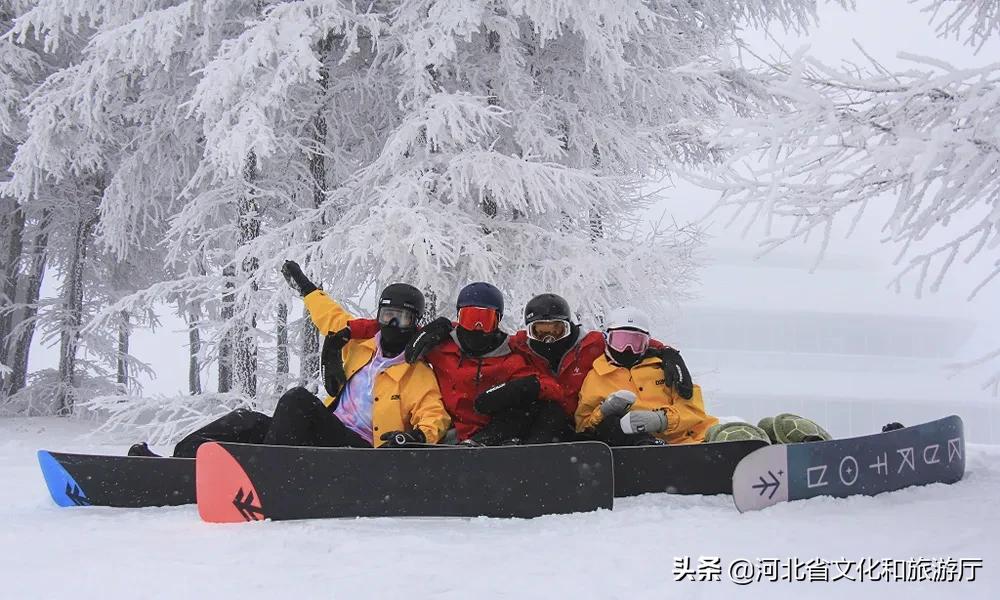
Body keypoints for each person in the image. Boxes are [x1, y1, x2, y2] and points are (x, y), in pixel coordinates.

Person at [128, 261, 450, 457]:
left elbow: (434, 416)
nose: (391, 324)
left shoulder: (417, 373)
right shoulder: (362, 346)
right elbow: (331, 317)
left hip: (362, 453)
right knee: (247, 420)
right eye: (387, 315)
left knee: (298, 399)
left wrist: (415, 437)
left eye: (402, 319)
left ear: (415, 324)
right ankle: (179, 463)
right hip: (327, 432)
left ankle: (267, 469)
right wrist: (308, 289)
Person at [360, 282, 569, 445]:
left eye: (485, 320)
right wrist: (346, 333)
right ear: (459, 317)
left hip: (494, 434)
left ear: (497, 322)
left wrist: (524, 387)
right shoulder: (442, 348)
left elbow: (554, 390)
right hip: (449, 436)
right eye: (470, 318)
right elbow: (392, 329)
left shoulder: (510, 357)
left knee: (547, 410)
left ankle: (532, 457)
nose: (477, 328)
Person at [507, 293, 686, 422]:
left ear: (568, 326)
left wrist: (667, 352)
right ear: (529, 331)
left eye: (557, 330)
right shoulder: (521, 346)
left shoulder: (590, 344)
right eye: (539, 332)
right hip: (543, 420)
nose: (549, 339)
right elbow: (495, 344)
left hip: (583, 425)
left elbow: (627, 338)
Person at [575, 306, 718, 446]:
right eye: (620, 341)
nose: (628, 349)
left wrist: (661, 420)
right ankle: (649, 447)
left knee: (729, 431)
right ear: (606, 339)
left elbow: (694, 409)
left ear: (647, 343)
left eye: (637, 342)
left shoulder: (664, 368)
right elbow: (583, 426)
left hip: (688, 439)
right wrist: (604, 410)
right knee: (611, 425)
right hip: (635, 445)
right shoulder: (596, 377)